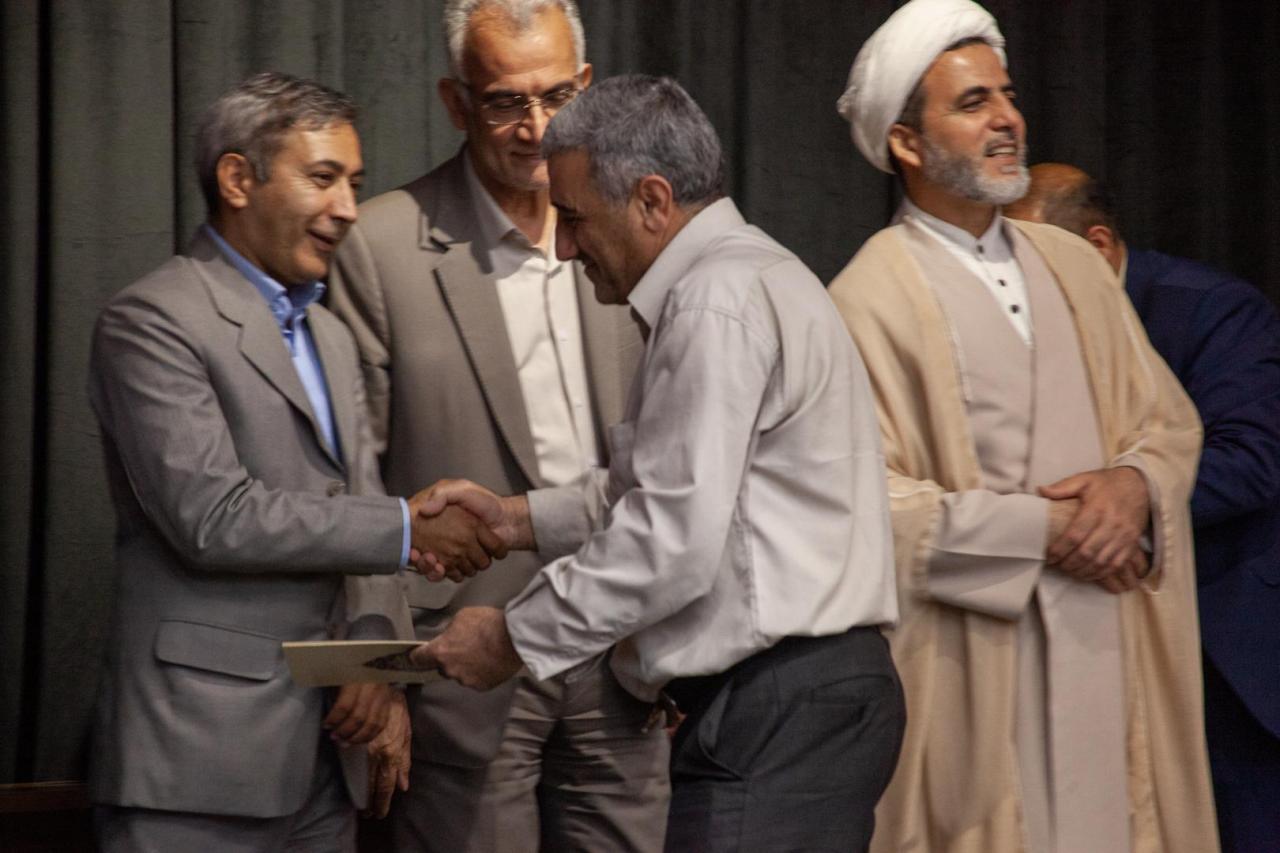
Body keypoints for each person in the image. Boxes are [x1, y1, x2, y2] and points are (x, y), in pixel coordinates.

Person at [405, 73, 904, 853]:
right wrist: (513, 520)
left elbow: (670, 539)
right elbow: (664, 494)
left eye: (574, 219)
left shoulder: (714, 301)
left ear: (652, 200)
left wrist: (512, 637)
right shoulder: (743, 279)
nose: (564, 248)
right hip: (795, 702)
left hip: (778, 704)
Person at [829, 1, 1219, 850]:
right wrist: (1044, 529)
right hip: (978, 670)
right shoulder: (867, 299)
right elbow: (862, 503)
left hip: (1110, 644)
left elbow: (1167, 423)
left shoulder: (1074, 263)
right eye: (974, 103)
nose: (1008, 119)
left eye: (1007, 96)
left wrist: (1134, 486)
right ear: (906, 142)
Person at [87, 71, 501, 853]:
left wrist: (377, 663)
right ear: (237, 179)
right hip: (196, 764)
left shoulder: (331, 335)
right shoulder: (151, 321)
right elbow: (213, 518)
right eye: (323, 178)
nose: (347, 208)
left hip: (328, 761)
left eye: (354, 183)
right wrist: (408, 528)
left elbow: (357, 505)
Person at [326, 2, 665, 850]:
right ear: (456, 103)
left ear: (587, 88)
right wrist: (379, 658)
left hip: (622, 648)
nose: (536, 128)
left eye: (556, 98)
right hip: (461, 661)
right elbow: (354, 478)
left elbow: (677, 455)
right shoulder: (381, 244)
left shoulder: (635, 228)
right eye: (507, 102)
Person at [1007, 163, 1280, 853]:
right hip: (1088, 646)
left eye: (1027, 258)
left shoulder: (1212, 311)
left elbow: (1253, 458)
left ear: (1097, 246)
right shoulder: (1017, 328)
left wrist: (1132, 504)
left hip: (1224, 649)